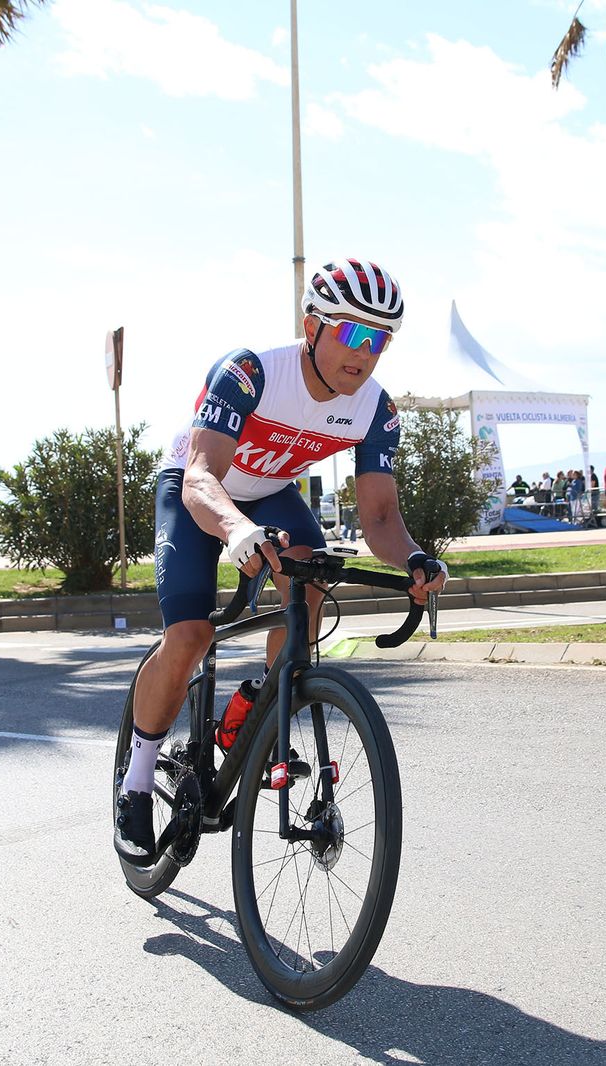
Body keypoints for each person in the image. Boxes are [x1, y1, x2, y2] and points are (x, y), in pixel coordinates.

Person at [115, 258, 451, 864]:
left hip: (271, 492)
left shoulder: (376, 408)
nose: (363, 352)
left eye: (379, 339)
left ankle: (265, 701)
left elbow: (378, 517)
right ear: (312, 325)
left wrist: (416, 560)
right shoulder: (249, 373)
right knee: (189, 635)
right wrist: (238, 532)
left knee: (313, 577)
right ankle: (137, 779)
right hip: (197, 487)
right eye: (350, 332)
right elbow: (201, 477)